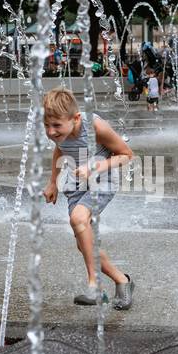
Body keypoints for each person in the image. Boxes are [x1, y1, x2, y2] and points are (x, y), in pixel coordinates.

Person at [41, 87, 134, 309]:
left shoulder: (95, 126)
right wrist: (53, 181)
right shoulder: (61, 133)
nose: (51, 132)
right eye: (46, 126)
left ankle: (95, 287)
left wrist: (95, 166)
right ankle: (122, 281)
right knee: (84, 244)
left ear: (75, 119)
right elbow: (59, 149)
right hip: (76, 184)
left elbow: (127, 155)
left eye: (56, 126)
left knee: (78, 219)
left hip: (103, 178)